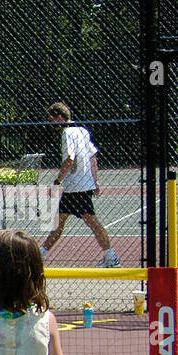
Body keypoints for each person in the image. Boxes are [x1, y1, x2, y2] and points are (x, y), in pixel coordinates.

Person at [42, 102, 119, 267]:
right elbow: (93, 157)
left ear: (60, 117)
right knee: (60, 222)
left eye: (52, 120)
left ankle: (111, 257)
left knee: (87, 222)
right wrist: (95, 180)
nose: (51, 124)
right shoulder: (83, 131)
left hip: (74, 187)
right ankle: (40, 256)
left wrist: (57, 181)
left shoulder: (67, 133)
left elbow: (70, 158)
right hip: (80, 186)